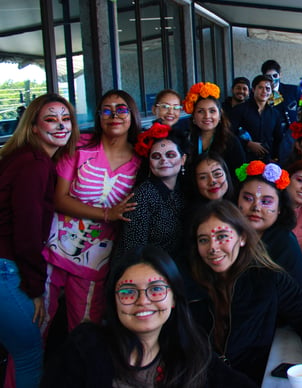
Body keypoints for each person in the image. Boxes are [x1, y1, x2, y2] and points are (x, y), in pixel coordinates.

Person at [42, 245, 251, 387]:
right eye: (127, 292)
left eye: (156, 289)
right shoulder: (85, 347)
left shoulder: (191, 352)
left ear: (174, 298)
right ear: (113, 301)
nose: (143, 301)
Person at [188, 200, 302, 383]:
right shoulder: (187, 288)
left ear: (242, 237)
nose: (213, 248)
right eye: (203, 240)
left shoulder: (267, 278)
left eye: (221, 236)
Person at [45, 89, 142, 332]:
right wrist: (107, 214)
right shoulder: (79, 147)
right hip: (53, 249)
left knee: (86, 333)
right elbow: (58, 198)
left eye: (121, 109)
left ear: (132, 115)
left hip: (96, 260)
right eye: (106, 110)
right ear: (98, 116)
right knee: (35, 327)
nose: (114, 115)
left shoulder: (142, 161)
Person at [0, 93, 78, 388]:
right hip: (5, 269)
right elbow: (27, 231)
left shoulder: (19, 158)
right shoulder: (35, 164)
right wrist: (35, 289)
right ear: (33, 126)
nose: (60, 125)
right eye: (50, 119)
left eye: (66, 118)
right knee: (30, 352)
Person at [112, 123, 188, 267]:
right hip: (145, 273)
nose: (164, 160)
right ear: (150, 163)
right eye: (156, 156)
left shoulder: (184, 189)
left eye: (170, 155)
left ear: (183, 159)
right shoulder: (142, 197)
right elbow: (133, 252)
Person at [235, 161, 302, 295]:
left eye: (266, 202)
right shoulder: (225, 236)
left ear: (279, 209)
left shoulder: (285, 242)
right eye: (248, 199)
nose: (256, 207)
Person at [184, 82, 246, 179]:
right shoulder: (186, 140)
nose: (207, 116)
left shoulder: (231, 142)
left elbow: (239, 175)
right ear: (193, 117)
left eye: (212, 111)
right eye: (200, 111)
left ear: (220, 116)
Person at [227, 74, 282, 162]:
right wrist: (247, 144)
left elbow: (278, 139)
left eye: (267, 89)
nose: (264, 91)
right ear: (253, 89)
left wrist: (275, 157)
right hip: (243, 158)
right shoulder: (239, 110)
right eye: (260, 87)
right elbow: (228, 134)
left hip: (267, 160)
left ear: (271, 92)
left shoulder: (275, 114)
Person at [262, 59, 302, 164]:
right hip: (273, 140)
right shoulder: (261, 94)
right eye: (268, 77)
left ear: (280, 75)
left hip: (293, 137)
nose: (272, 79)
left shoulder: (293, 90)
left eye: (275, 76)